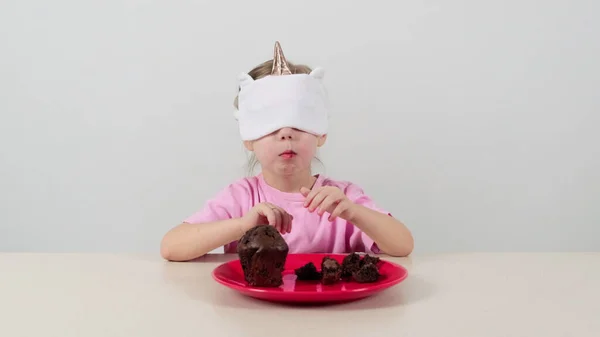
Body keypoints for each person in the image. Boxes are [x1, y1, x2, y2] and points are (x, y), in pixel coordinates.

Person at [160, 42, 413, 261]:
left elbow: (403, 246)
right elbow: (171, 247)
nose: (286, 134)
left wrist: (354, 212)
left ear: (321, 134)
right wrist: (241, 226)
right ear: (249, 138)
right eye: (271, 126)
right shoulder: (240, 198)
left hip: (331, 312)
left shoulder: (342, 198)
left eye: (299, 123)